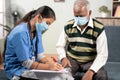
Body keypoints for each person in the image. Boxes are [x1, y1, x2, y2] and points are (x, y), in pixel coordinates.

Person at [4, 5, 63, 80]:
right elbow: (26, 62)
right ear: (38, 17)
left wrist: (49, 63)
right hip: (17, 70)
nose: (47, 27)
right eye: (47, 23)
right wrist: (49, 67)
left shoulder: (37, 31)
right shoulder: (20, 32)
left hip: (30, 68)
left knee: (59, 77)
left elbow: (40, 56)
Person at [56, 0, 108, 80]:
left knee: (102, 76)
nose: (78, 19)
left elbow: (102, 54)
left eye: (82, 16)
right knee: (59, 74)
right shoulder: (68, 25)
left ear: (89, 13)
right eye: (76, 16)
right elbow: (60, 45)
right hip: (72, 60)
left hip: (90, 61)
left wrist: (91, 71)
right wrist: (63, 57)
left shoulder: (99, 28)